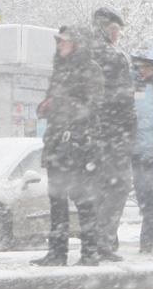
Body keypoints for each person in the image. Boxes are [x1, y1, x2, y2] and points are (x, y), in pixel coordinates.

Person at [31, 26, 105, 266]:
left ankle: (89, 252)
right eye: (58, 41)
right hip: (56, 142)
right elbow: (55, 101)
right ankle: (57, 252)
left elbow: (92, 106)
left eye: (64, 41)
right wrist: (45, 106)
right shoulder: (60, 70)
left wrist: (60, 104)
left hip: (79, 143)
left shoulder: (90, 70)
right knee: (57, 199)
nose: (59, 45)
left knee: (83, 200)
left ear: (77, 44)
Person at [91, 7, 136, 262]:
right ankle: (104, 240)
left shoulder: (82, 52)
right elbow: (122, 101)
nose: (118, 35)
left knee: (97, 188)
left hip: (91, 133)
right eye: (116, 30)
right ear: (107, 28)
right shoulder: (114, 57)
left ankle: (95, 239)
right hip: (113, 133)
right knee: (118, 186)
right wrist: (128, 131)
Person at [130, 48, 153, 253]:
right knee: (145, 198)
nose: (141, 70)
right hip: (138, 152)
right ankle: (150, 239)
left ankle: (150, 240)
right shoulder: (133, 86)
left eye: (145, 66)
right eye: (139, 66)